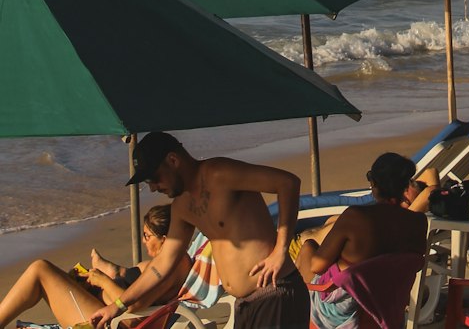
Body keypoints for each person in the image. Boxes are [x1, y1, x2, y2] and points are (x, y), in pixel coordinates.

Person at [90, 131, 308, 329]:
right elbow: (162, 264)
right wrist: (117, 305)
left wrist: (281, 250)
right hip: (245, 305)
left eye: (153, 178)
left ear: (173, 160)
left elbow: (287, 183)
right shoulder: (182, 207)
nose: (153, 187)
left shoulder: (220, 173)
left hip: (274, 293)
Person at [296, 152, 427, 329]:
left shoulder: (356, 217)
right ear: (404, 185)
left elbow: (316, 266)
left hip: (345, 310)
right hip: (386, 305)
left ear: (373, 184)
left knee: (308, 248)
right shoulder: (419, 222)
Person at [0, 208, 190, 329]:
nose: (143, 240)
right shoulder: (174, 260)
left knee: (39, 270)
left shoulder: (169, 267)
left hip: (108, 322)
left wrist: (103, 281)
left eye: (147, 236)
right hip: (103, 309)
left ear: (164, 240)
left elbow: (133, 306)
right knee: (45, 273)